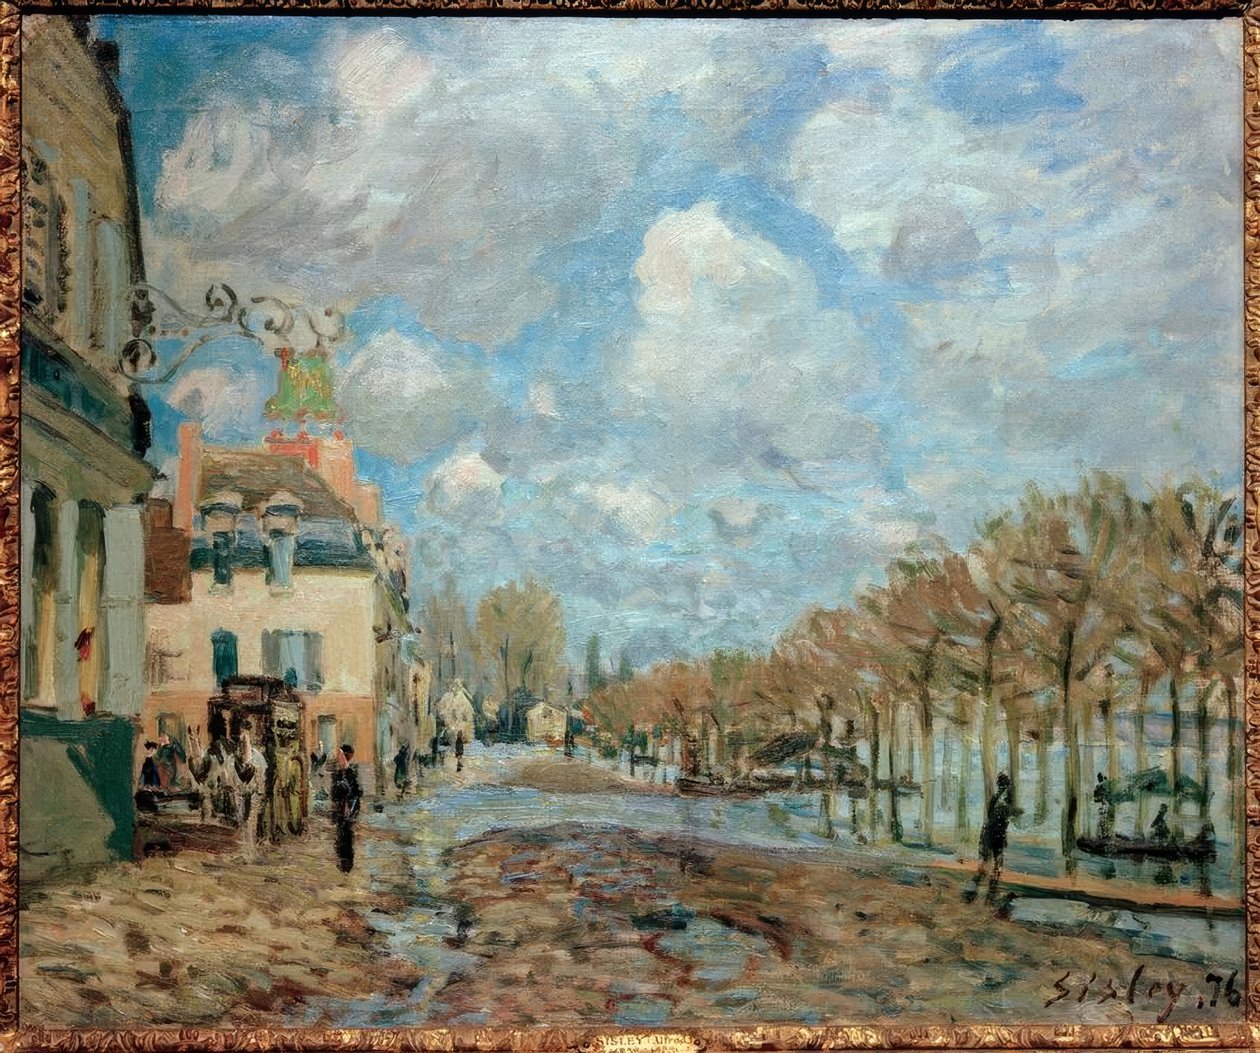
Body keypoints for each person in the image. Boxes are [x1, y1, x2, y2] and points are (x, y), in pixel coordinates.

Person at [970, 771, 1018, 905]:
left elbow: (990, 816)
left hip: (988, 832)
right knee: (997, 862)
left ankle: (973, 892)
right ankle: (989, 895)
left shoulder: (995, 799)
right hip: (996, 834)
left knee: (984, 862)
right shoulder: (1006, 800)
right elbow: (1006, 817)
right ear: (1006, 785)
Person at [330, 744, 362, 872]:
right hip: (341, 808)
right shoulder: (339, 772)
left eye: (341, 755)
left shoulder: (350, 773)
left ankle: (347, 862)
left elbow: (356, 792)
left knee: (346, 833)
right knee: (342, 833)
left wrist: (350, 804)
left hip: (348, 807)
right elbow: (335, 793)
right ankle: (343, 860)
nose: (339, 758)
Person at [1093, 772, 1115, 839]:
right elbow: (1096, 798)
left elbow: (1095, 799)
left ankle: (1104, 834)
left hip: (1104, 805)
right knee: (1105, 820)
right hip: (1105, 805)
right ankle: (1105, 834)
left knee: (1103, 820)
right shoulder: (1102, 785)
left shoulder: (1099, 786)